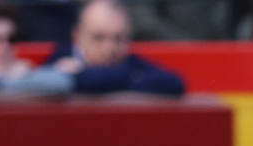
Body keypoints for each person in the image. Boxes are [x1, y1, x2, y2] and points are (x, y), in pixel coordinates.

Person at [46, 0, 185, 97]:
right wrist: (130, 78)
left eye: (118, 38)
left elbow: (174, 84)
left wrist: (81, 76)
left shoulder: (133, 64)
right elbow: (43, 85)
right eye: (98, 38)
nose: (109, 48)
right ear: (77, 36)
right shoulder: (59, 59)